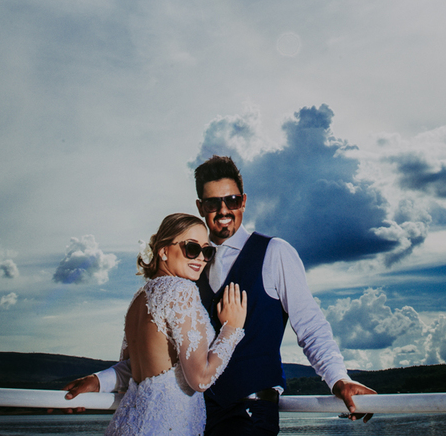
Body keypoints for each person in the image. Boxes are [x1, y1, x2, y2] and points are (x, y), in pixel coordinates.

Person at [65, 157, 376, 435]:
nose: (224, 210)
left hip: (249, 415)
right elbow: (161, 357)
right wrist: (99, 381)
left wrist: (339, 379)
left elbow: (310, 326)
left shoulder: (275, 252)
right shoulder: (187, 270)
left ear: (243, 201)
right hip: (195, 417)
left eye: (232, 200)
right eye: (214, 203)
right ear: (201, 207)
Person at [98, 212, 248, 436]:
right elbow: (200, 379)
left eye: (207, 251)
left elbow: (132, 367)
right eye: (192, 248)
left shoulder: (139, 299)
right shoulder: (180, 290)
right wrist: (231, 328)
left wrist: (97, 381)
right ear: (163, 251)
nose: (201, 258)